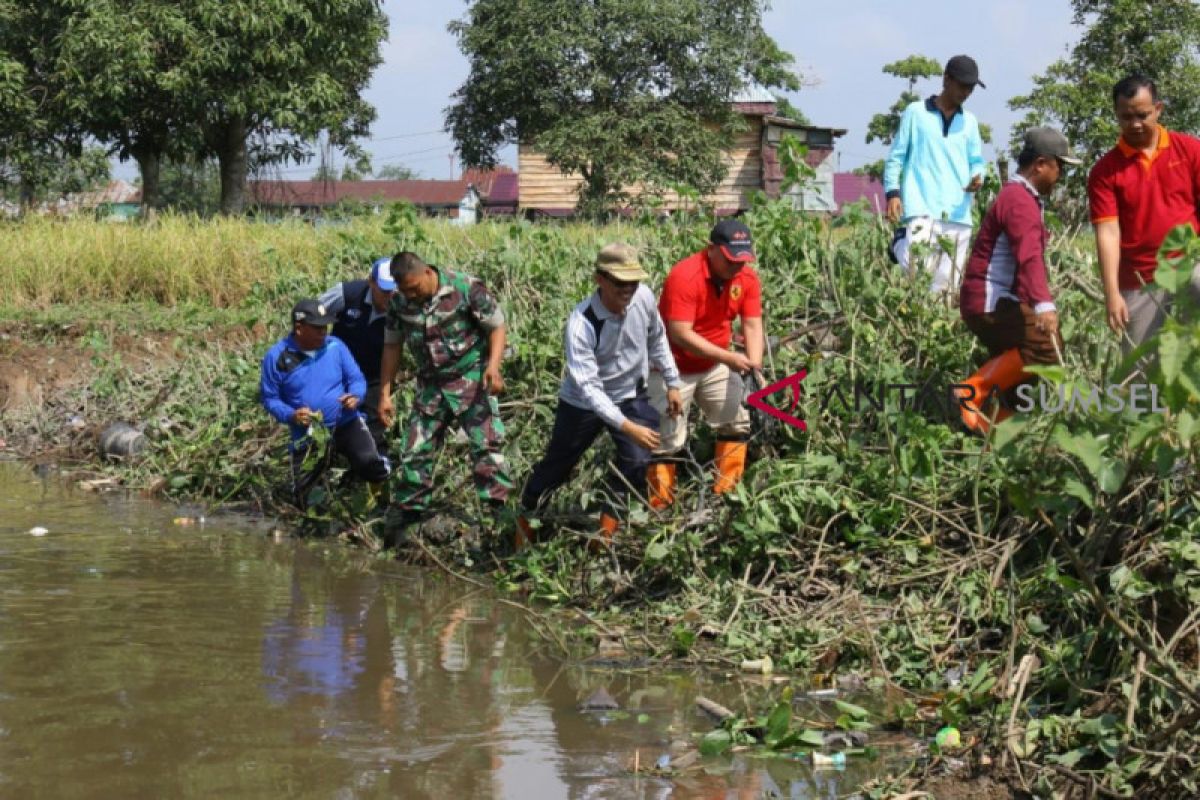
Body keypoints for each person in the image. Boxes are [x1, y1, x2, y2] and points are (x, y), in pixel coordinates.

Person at [516, 243, 683, 548]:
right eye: (620, 282)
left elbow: (657, 338)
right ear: (600, 278)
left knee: (636, 461)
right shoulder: (581, 323)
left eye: (633, 281)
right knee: (557, 466)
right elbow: (590, 389)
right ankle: (522, 536)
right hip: (582, 404)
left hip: (630, 394)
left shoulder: (643, 297)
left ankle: (603, 541)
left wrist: (672, 382)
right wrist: (628, 426)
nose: (628, 289)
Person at [377, 251, 513, 538]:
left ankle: (498, 515)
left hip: (471, 377)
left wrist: (493, 367)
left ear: (427, 272)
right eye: (404, 290)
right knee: (416, 448)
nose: (410, 295)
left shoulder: (465, 288)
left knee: (486, 445)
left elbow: (496, 326)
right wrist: (385, 394)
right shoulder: (399, 302)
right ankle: (408, 516)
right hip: (430, 383)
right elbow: (392, 346)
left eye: (414, 288)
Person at [957, 127, 1080, 433]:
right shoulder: (1020, 201)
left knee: (1021, 360)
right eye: (1059, 166)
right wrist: (1043, 305)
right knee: (1045, 347)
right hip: (990, 301)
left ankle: (1003, 424)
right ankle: (969, 393)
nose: (1060, 174)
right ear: (1040, 164)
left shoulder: (1019, 197)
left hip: (991, 301)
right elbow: (1029, 258)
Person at [647, 220, 763, 507]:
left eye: (742, 260)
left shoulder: (745, 279)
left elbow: (752, 324)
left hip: (713, 364)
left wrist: (755, 367)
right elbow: (680, 333)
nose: (737, 267)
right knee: (666, 440)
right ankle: (661, 508)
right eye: (730, 260)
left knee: (736, 420)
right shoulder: (685, 276)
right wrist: (729, 358)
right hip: (670, 368)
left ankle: (726, 494)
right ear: (712, 250)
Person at [1088, 74, 1200, 356]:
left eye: (1142, 115)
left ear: (1158, 109)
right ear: (1116, 115)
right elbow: (1108, 233)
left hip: (1189, 267)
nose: (1135, 124)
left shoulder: (1190, 150)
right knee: (1139, 375)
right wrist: (1112, 294)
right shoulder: (1105, 171)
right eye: (1126, 117)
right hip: (1139, 281)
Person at [260, 298, 389, 507]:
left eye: (325, 326)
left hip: (346, 423)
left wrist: (355, 396)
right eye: (317, 328)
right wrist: (291, 415)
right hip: (307, 433)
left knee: (371, 465)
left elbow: (356, 379)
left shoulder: (335, 346)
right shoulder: (278, 357)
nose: (324, 332)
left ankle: (382, 504)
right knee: (305, 499)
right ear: (299, 328)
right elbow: (270, 398)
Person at [884, 55, 988, 294]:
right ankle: (900, 244)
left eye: (971, 88)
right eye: (963, 86)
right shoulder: (915, 113)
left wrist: (978, 176)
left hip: (959, 214)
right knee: (917, 277)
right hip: (922, 206)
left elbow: (976, 160)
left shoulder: (970, 122)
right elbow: (896, 156)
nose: (967, 93)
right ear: (946, 80)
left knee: (944, 290)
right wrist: (892, 193)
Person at [318, 257, 397, 449]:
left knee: (373, 429)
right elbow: (314, 313)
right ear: (371, 282)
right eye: (385, 291)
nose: (390, 297)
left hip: (374, 375)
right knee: (329, 425)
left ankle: (376, 469)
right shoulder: (348, 293)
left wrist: (386, 393)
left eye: (395, 291)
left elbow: (394, 349)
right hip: (337, 373)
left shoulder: (402, 308)